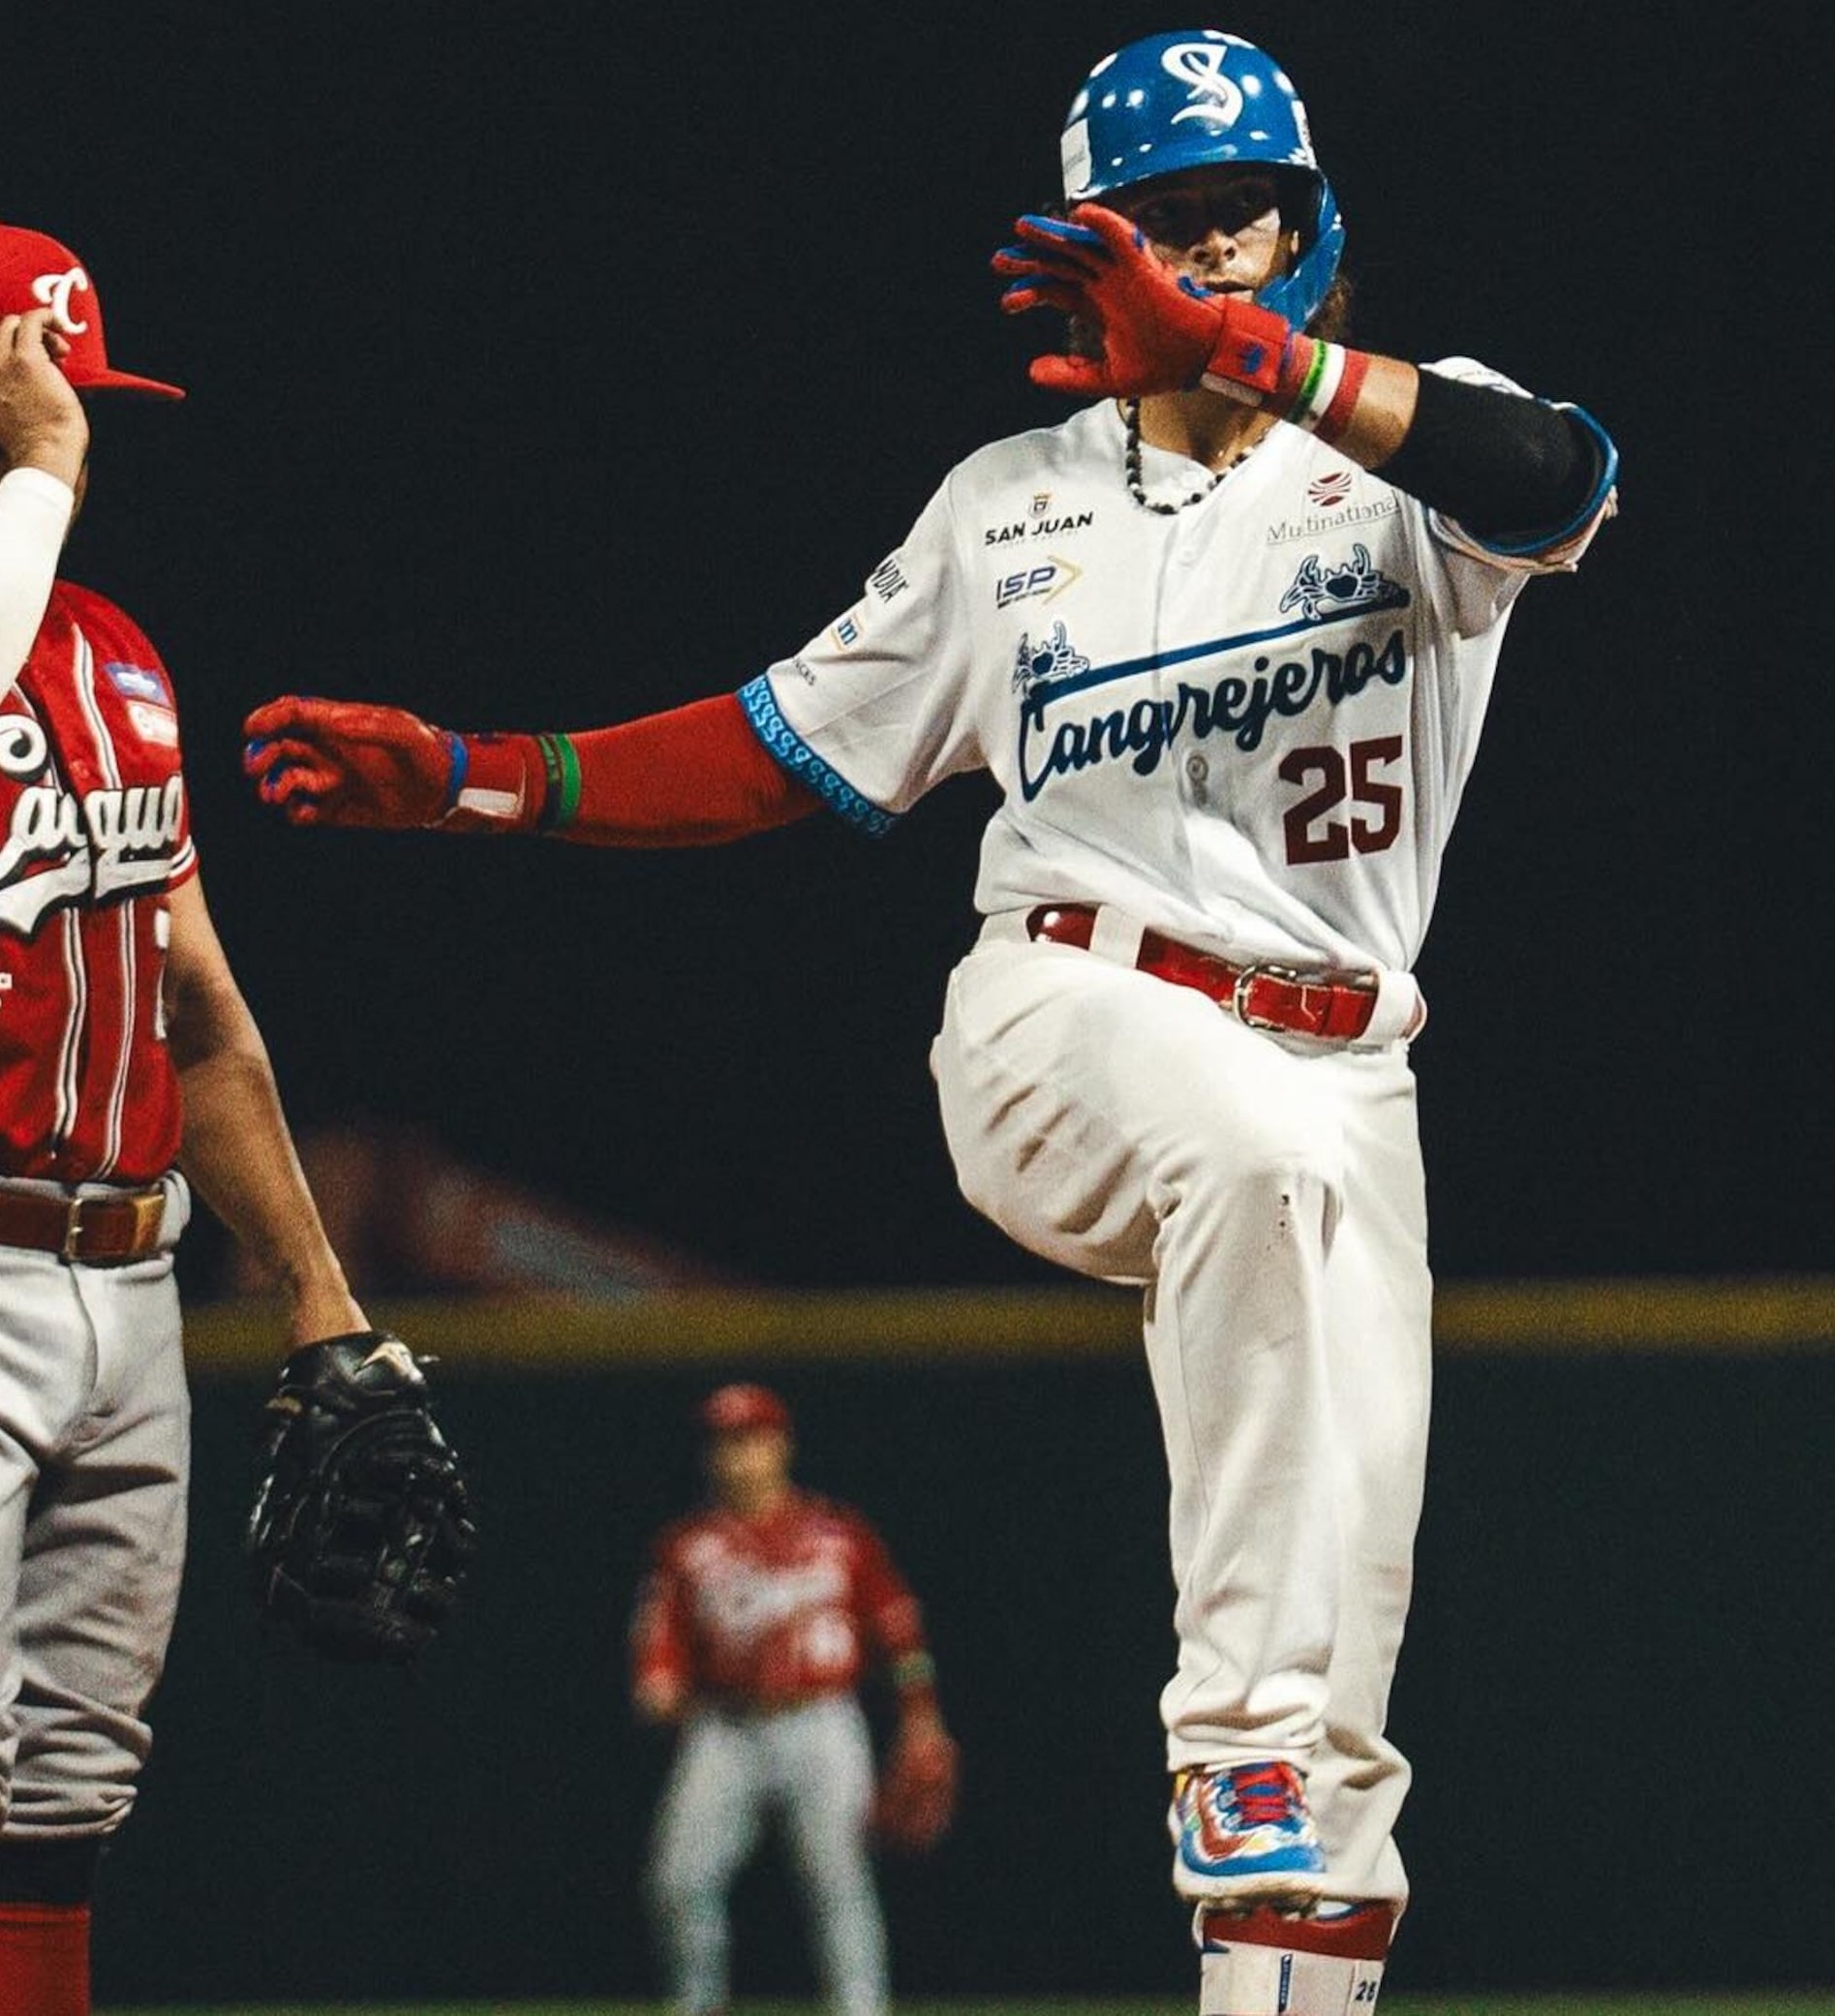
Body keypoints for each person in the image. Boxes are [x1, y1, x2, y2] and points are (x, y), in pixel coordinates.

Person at [240, 25, 1618, 2012]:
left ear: (1309, 229)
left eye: (1240, 214)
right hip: (1066, 1018)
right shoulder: (1010, 509)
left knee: (1344, 1719)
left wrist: (1240, 356)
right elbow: (773, 751)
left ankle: (1275, 1904)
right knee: (1250, 1212)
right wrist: (470, 772)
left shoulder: (1401, 453)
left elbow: (1562, 471)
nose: (1208, 251)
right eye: (1159, 223)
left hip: (1342, 1094)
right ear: (1081, 251)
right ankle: (1228, 1744)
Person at [0, 219, 376, 2016]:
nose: (61, 427)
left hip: (127, 1283)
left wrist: (318, 1286)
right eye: (15, 397)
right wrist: (52, 479)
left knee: (61, 1803)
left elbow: (204, 1016)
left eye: (79, 397)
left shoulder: (117, 660)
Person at [628, 1382, 956, 2016]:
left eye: (750, 1439)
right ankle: (695, 2007)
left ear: (781, 1444)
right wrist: (658, 1678)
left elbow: (899, 1628)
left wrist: (922, 1718)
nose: (737, 1456)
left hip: (822, 1720)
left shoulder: (839, 1534)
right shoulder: (688, 1546)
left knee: (839, 1884)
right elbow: (659, 1637)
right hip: (726, 1725)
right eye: (725, 1442)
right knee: (679, 1878)